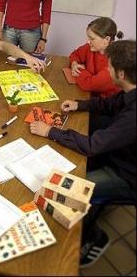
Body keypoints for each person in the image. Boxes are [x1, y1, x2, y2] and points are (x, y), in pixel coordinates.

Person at [29, 40, 136, 268]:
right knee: (72, 163)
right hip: (118, 153)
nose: (106, 70)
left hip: (127, 175)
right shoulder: (130, 91)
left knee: (65, 189)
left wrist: (51, 131)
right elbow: (109, 104)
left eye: (109, 67)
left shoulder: (133, 117)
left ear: (121, 73)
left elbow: (91, 146)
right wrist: (79, 105)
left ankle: (92, 237)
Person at [69, 17, 123, 97]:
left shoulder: (114, 61)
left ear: (106, 39)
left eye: (92, 38)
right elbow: (75, 54)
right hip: (89, 96)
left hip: (105, 104)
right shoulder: (90, 47)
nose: (88, 41)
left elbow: (88, 84)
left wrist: (80, 69)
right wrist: (74, 64)